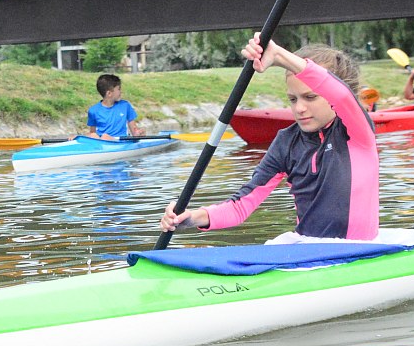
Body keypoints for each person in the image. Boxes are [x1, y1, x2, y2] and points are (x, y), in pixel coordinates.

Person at [160, 38, 378, 241]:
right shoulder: (287, 143)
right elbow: (241, 205)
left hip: (358, 252)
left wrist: (279, 56)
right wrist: (190, 218)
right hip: (308, 250)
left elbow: (340, 94)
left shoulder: (356, 132)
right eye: (292, 99)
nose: (299, 108)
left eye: (310, 97)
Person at [87, 74, 143, 139]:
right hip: (103, 142)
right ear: (109, 93)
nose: (121, 92)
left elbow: (135, 132)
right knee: (93, 135)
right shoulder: (93, 111)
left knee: (105, 137)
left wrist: (139, 133)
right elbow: (93, 133)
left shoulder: (125, 106)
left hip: (121, 142)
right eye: (119, 89)